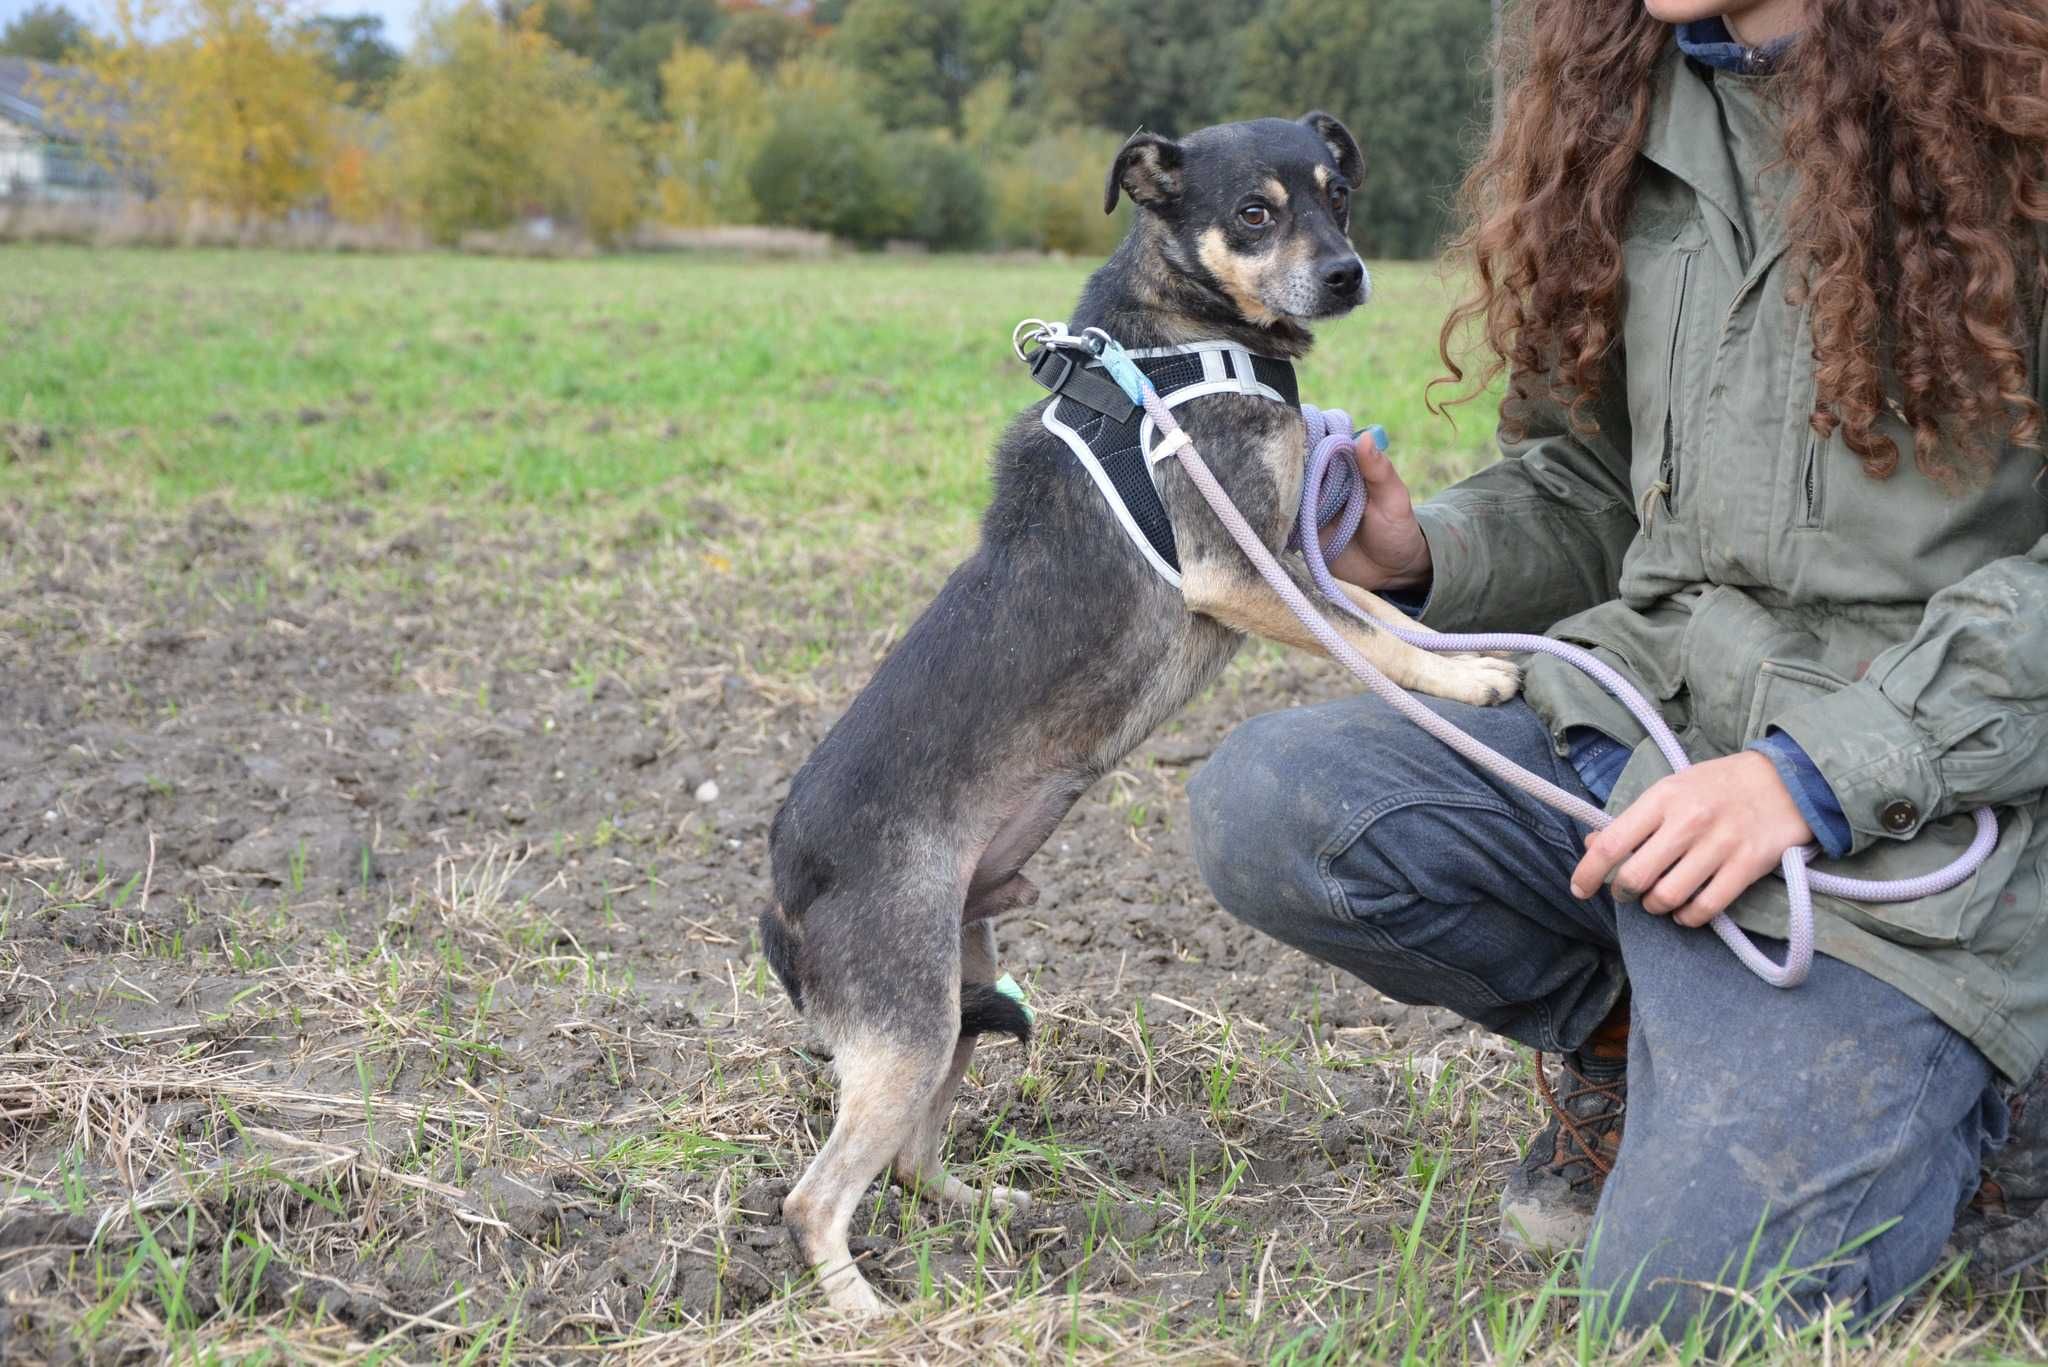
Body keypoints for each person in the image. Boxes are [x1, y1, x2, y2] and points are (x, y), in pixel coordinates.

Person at [1190, 0, 2048, 1335]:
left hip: (1930, 820)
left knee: (1681, 1312)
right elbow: (1588, 480)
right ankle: (1627, 1044)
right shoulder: (1616, 93)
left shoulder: (2021, 107)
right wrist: (1424, 551)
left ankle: (2001, 1110)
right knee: (1280, 804)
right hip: (1655, 727)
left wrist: (1811, 777)